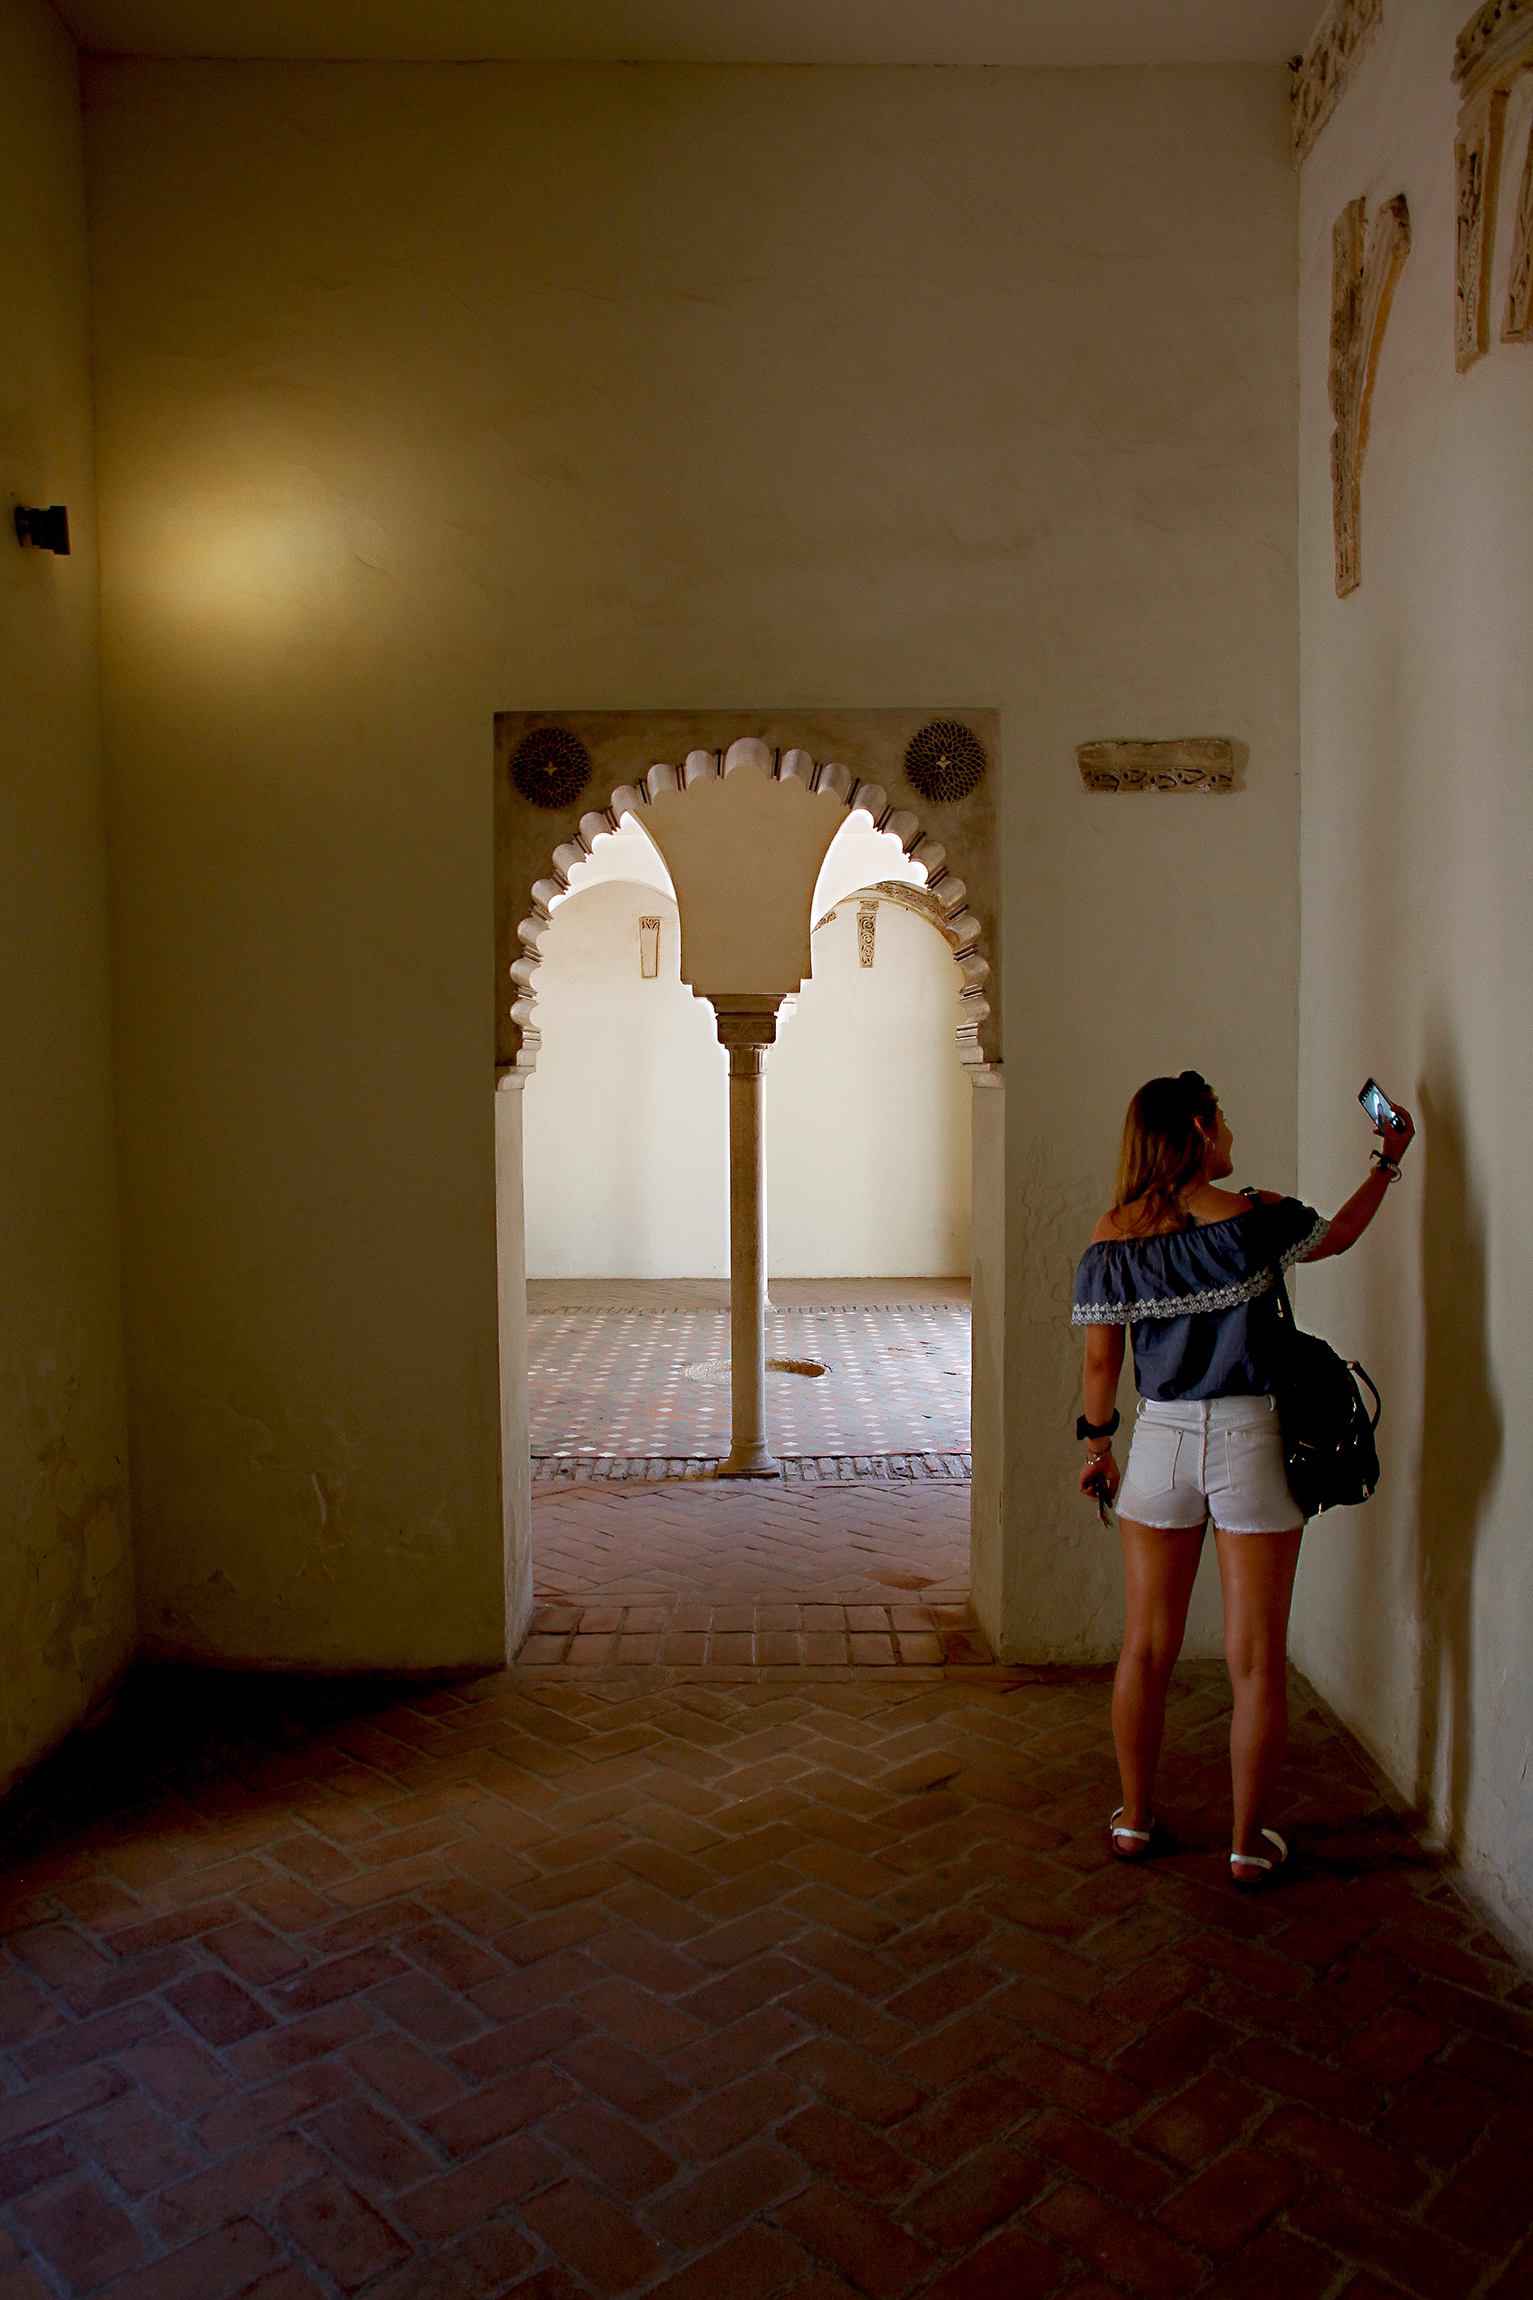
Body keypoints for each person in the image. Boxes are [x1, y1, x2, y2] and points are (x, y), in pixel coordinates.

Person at [1072, 1070, 1413, 1884]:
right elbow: (1338, 1237)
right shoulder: (1256, 1219)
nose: (1229, 1134)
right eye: (1220, 1120)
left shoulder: (1111, 1236)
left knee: (1146, 1649)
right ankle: (1247, 1844)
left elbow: (1099, 1360)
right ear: (1197, 1126)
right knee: (1254, 1659)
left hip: (1157, 1441)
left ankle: (1134, 1823)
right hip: (1249, 1439)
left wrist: (1097, 1450)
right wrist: (1386, 1163)